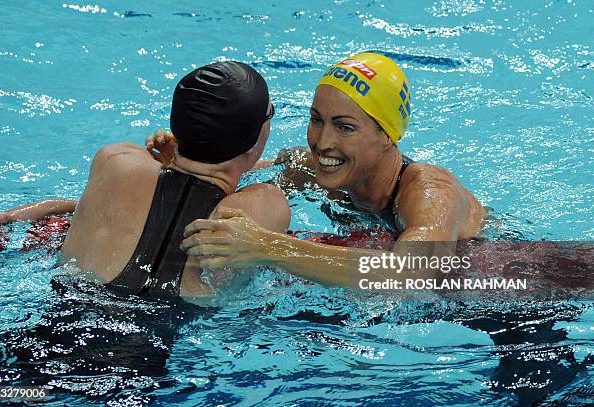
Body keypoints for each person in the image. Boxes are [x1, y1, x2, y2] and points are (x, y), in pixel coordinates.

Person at [169, 52, 487, 286]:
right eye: (317, 120)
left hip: (494, 298)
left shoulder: (431, 192)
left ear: (388, 135)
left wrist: (266, 246)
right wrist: (183, 160)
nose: (322, 143)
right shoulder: (313, 171)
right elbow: (238, 175)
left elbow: (412, 273)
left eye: (345, 128)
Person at [0, 61, 290, 299]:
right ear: (253, 140)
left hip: (65, 311)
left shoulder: (116, 161)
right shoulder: (265, 203)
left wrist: (175, 160)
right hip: (147, 356)